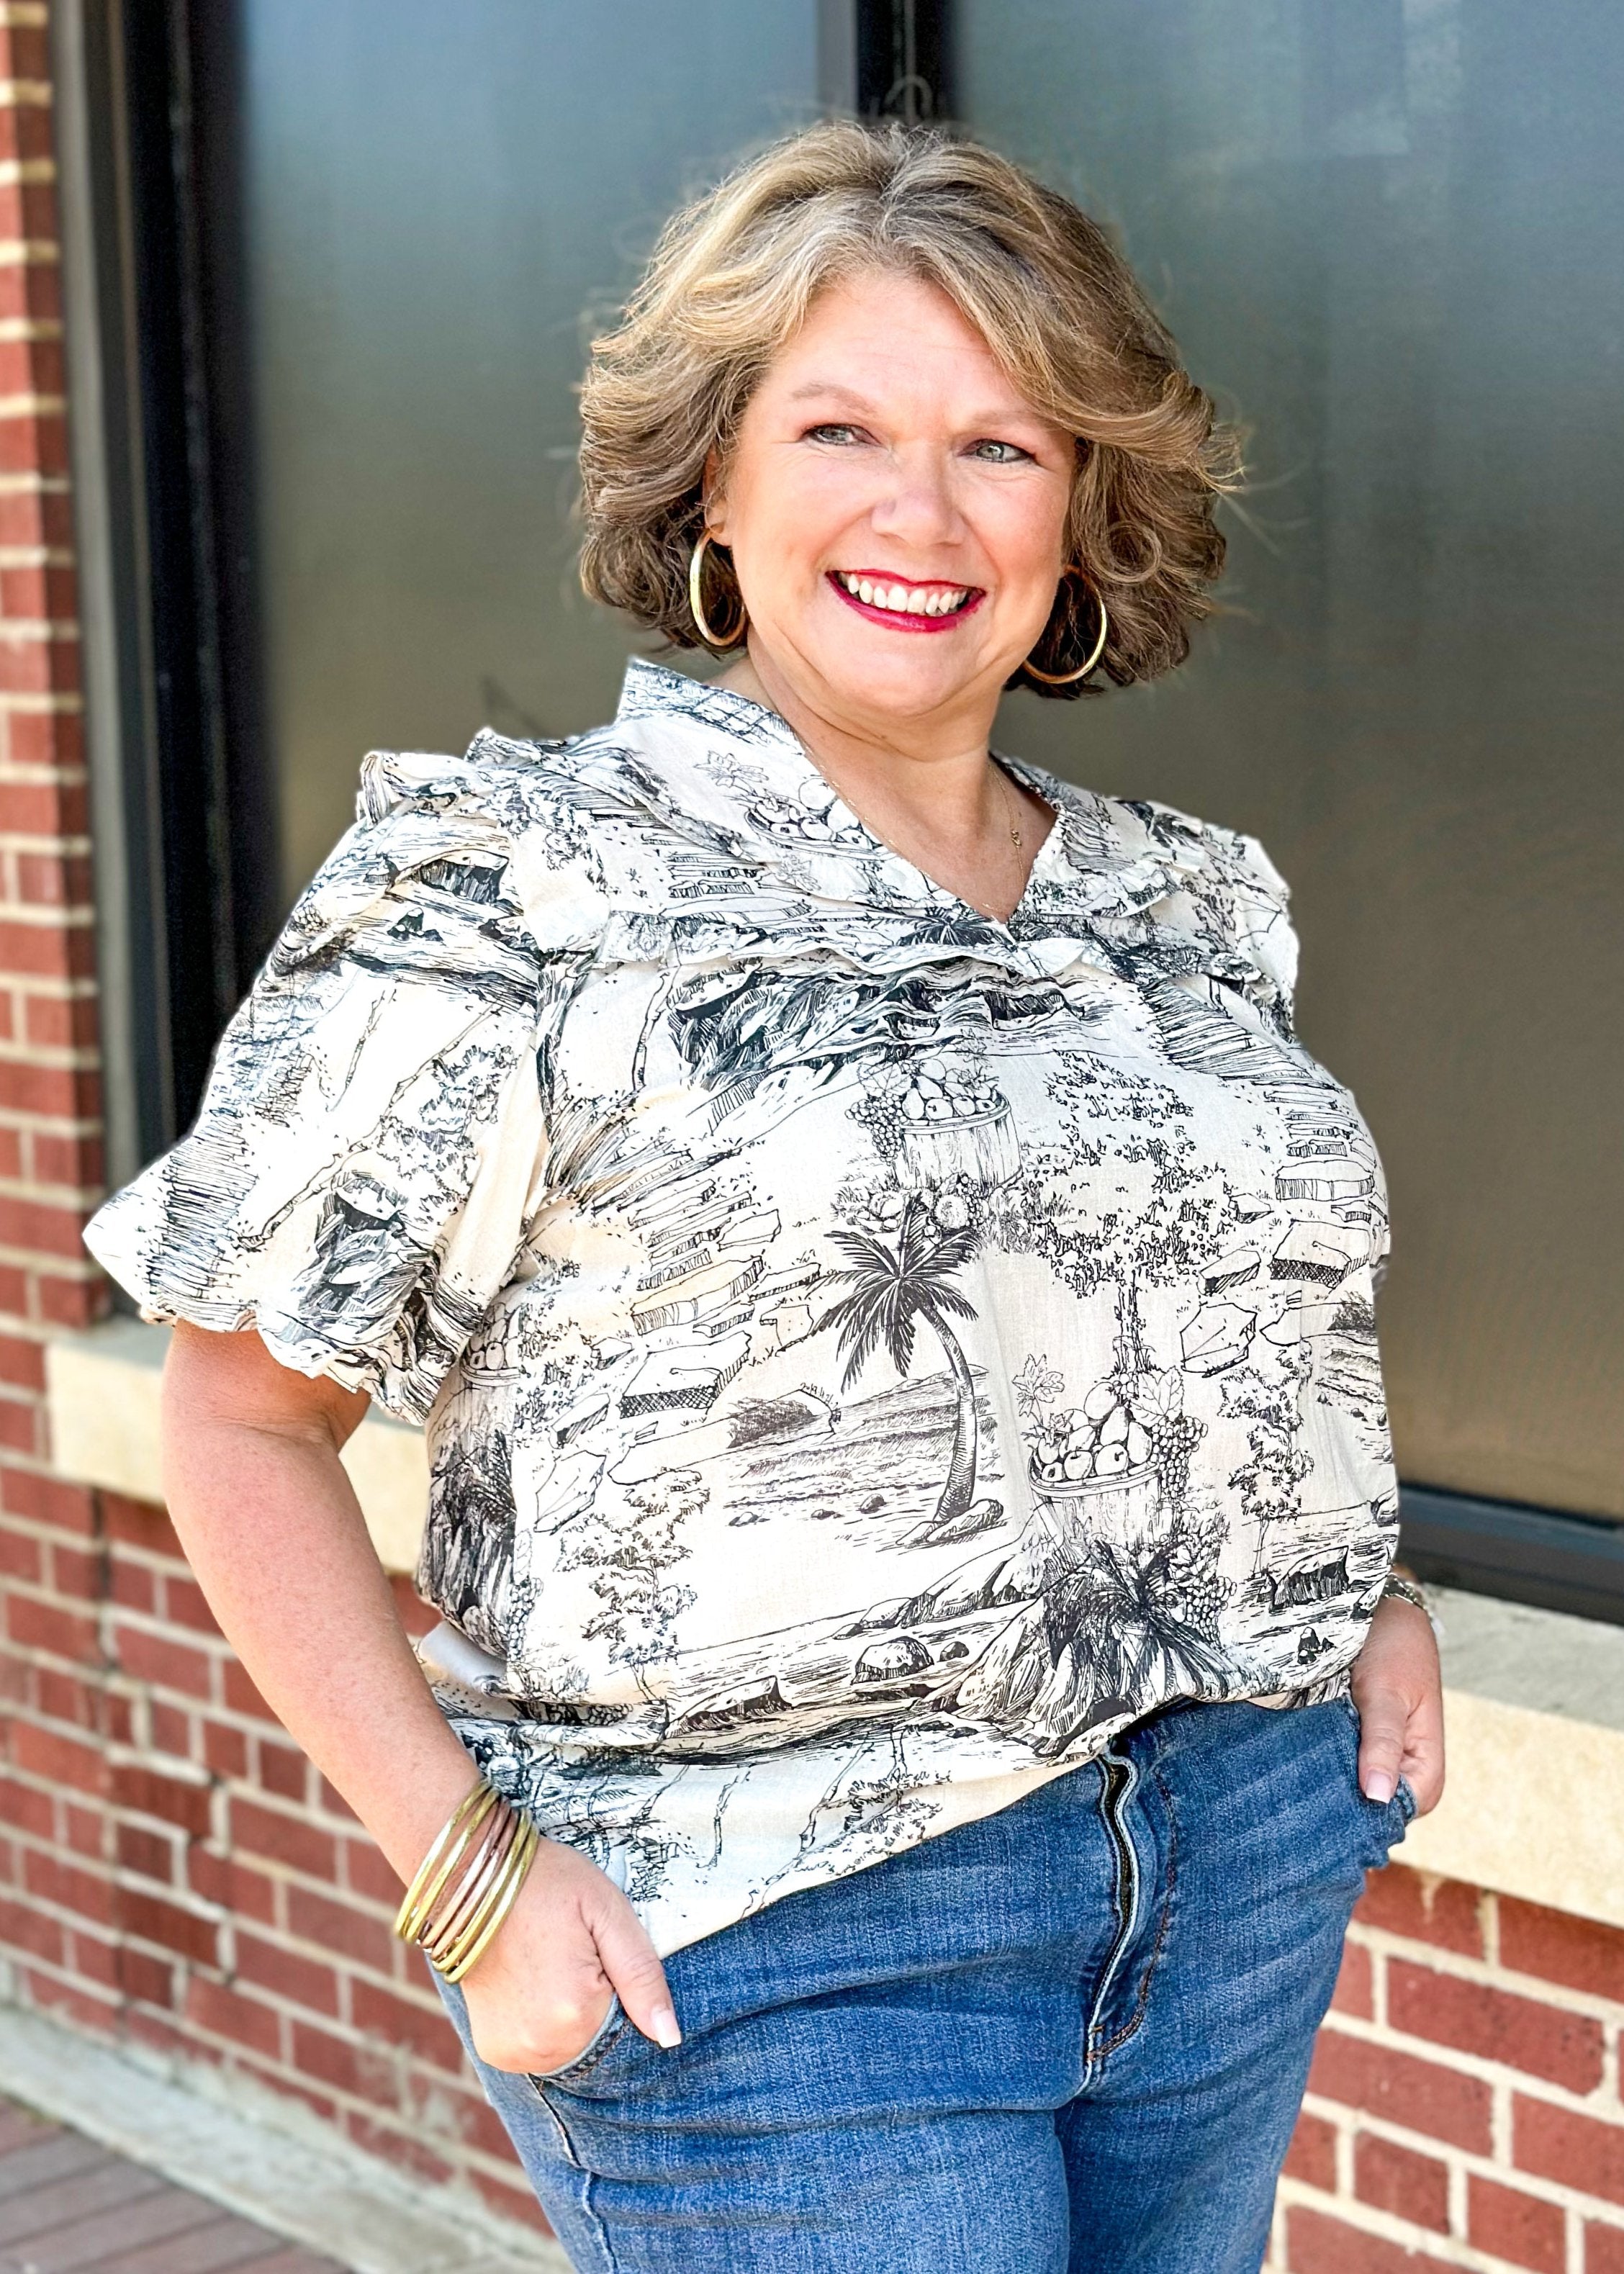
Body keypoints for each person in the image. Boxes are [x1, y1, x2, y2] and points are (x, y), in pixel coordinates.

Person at [84, 122, 1444, 2274]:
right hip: (773, 1942)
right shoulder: (510, 884)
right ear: (713, 480)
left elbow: (1237, 1318)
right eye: (840, 428)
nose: (921, 512)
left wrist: (1346, 1579)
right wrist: (459, 1872)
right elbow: (240, 1421)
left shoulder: (1186, 909)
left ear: (1082, 511)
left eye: (1001, 445)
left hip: (1235, 1864)